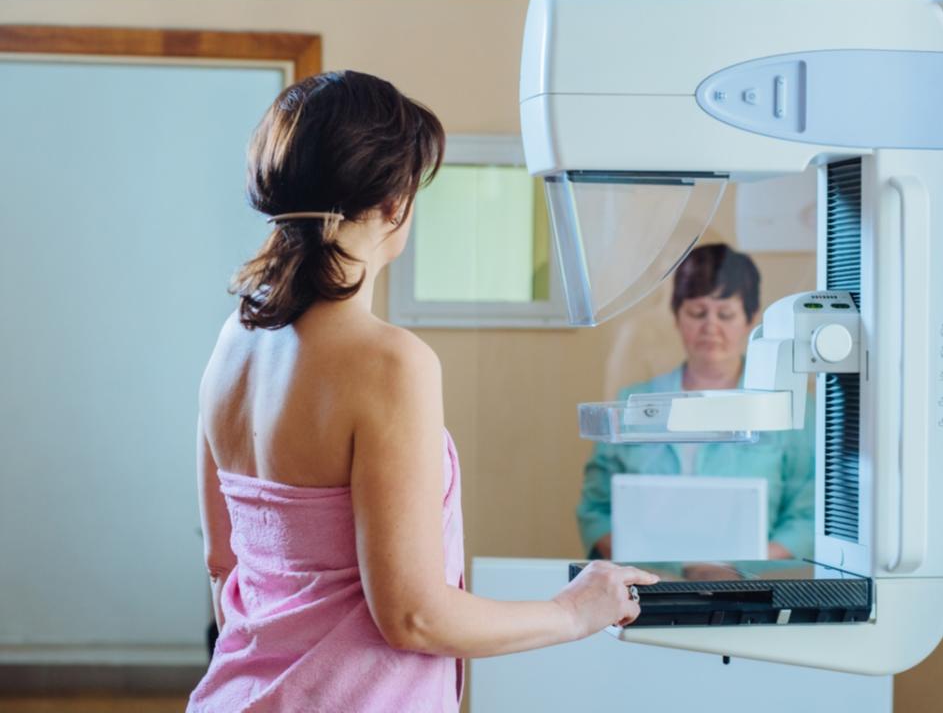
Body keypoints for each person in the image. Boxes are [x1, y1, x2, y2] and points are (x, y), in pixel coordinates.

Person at [187, 71, 657, 713]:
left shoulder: (233, 341)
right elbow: (413, 617)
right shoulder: (389, 363)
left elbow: (223, 565)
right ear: (392, 203)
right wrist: (575, 613)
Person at [576, 243, 815, 561]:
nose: (710, 327)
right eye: (697, 313)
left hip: (750, 587)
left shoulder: (786, 410)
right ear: (677, 317)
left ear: (750, 319)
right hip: (650, 584)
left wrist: (739, 567)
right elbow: (595, 509)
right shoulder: (632, 405)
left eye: (726, 314)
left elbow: (809, 513)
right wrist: (645, 564)